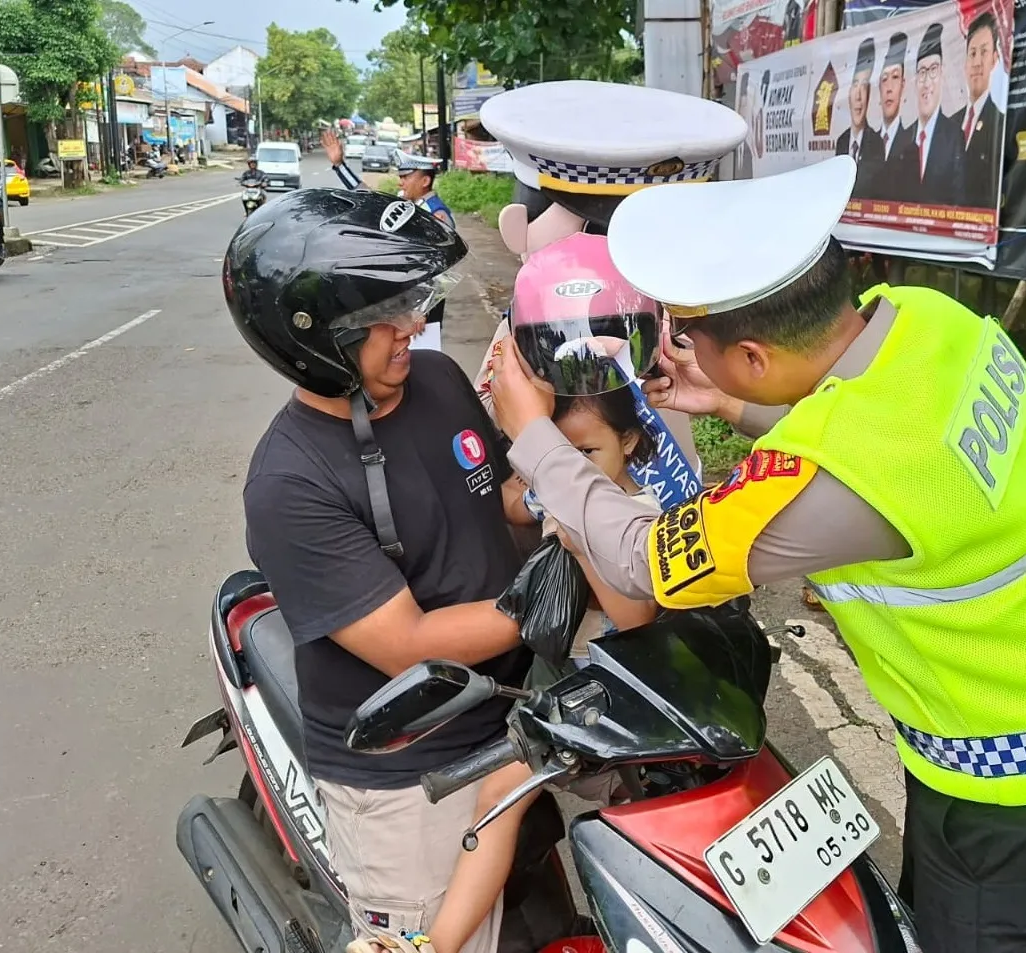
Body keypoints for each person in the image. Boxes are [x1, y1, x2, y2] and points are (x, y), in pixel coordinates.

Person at [486, 155, 1026, 953]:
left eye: (688, 339)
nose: (678, 353)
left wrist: (535, 438)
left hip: (1019, 790)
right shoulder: (928, 318)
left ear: (756, 352)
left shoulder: (823, 485)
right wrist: (729, 400)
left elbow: (639, 560)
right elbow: (877, 436)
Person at [223, 187, 531, 953]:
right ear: (317, 341)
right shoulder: (289, 484)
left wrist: (593, 481)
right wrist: (544, 603)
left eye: (409, 302)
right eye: (384, 318)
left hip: (520, 698)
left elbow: (505, 500)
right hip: (410, 768)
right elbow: (408, 644)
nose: (415, 325)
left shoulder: (435, 382)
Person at [422, 235, 664, 953]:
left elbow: (633, 610)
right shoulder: (554, 488)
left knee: (629, 821)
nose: (566, 468)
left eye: (585, 455)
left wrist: (574, 517)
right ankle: (438, 942)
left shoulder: (643, 518)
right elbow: (507, 500)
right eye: (556, 451)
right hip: (563, 693)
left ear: (631, 444)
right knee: (495, 795)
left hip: (627, 708)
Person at [474, 79, 747, 509]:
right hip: (572, 534)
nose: (616, 263)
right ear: (517, 228)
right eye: (596, 233)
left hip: (667, 519)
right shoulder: (527, 331)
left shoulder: (675, 319)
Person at [322, 128, 452, 351]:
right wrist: (340, 165)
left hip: (422, 309)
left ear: (425, 180)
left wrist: (422, 309)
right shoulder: (405, 203)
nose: (401, 182)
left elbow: (439, 267)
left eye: (406, 177)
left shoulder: (436, 215)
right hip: (401, 300)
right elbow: (366, 196)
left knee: (421, 364)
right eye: (400, 177)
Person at [952, 12, 1006, 208]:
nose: (977, 62)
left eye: (984, 52)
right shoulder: (948, 124)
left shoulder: (1001, 125)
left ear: (994, 59)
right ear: (965, 63)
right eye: (972, 53)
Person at [908, 21, 964, 207]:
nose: (926, 82)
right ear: (915, 80)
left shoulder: (954, 135)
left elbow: (959, 197)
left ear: (942, 74)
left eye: (933, 70)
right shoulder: (904, 137)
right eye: (922, 72)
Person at [835, 38, 885, 200]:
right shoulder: (842, 141)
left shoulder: (876, 143)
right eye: (854, 85)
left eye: (864, 86)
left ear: (869, 93)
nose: (858, 96)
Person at [877, 32, 915, 188]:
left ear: (903, 85)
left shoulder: (912, 144)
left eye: (895, 77)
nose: (889, 89)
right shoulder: (868, 144)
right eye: (884, 79)